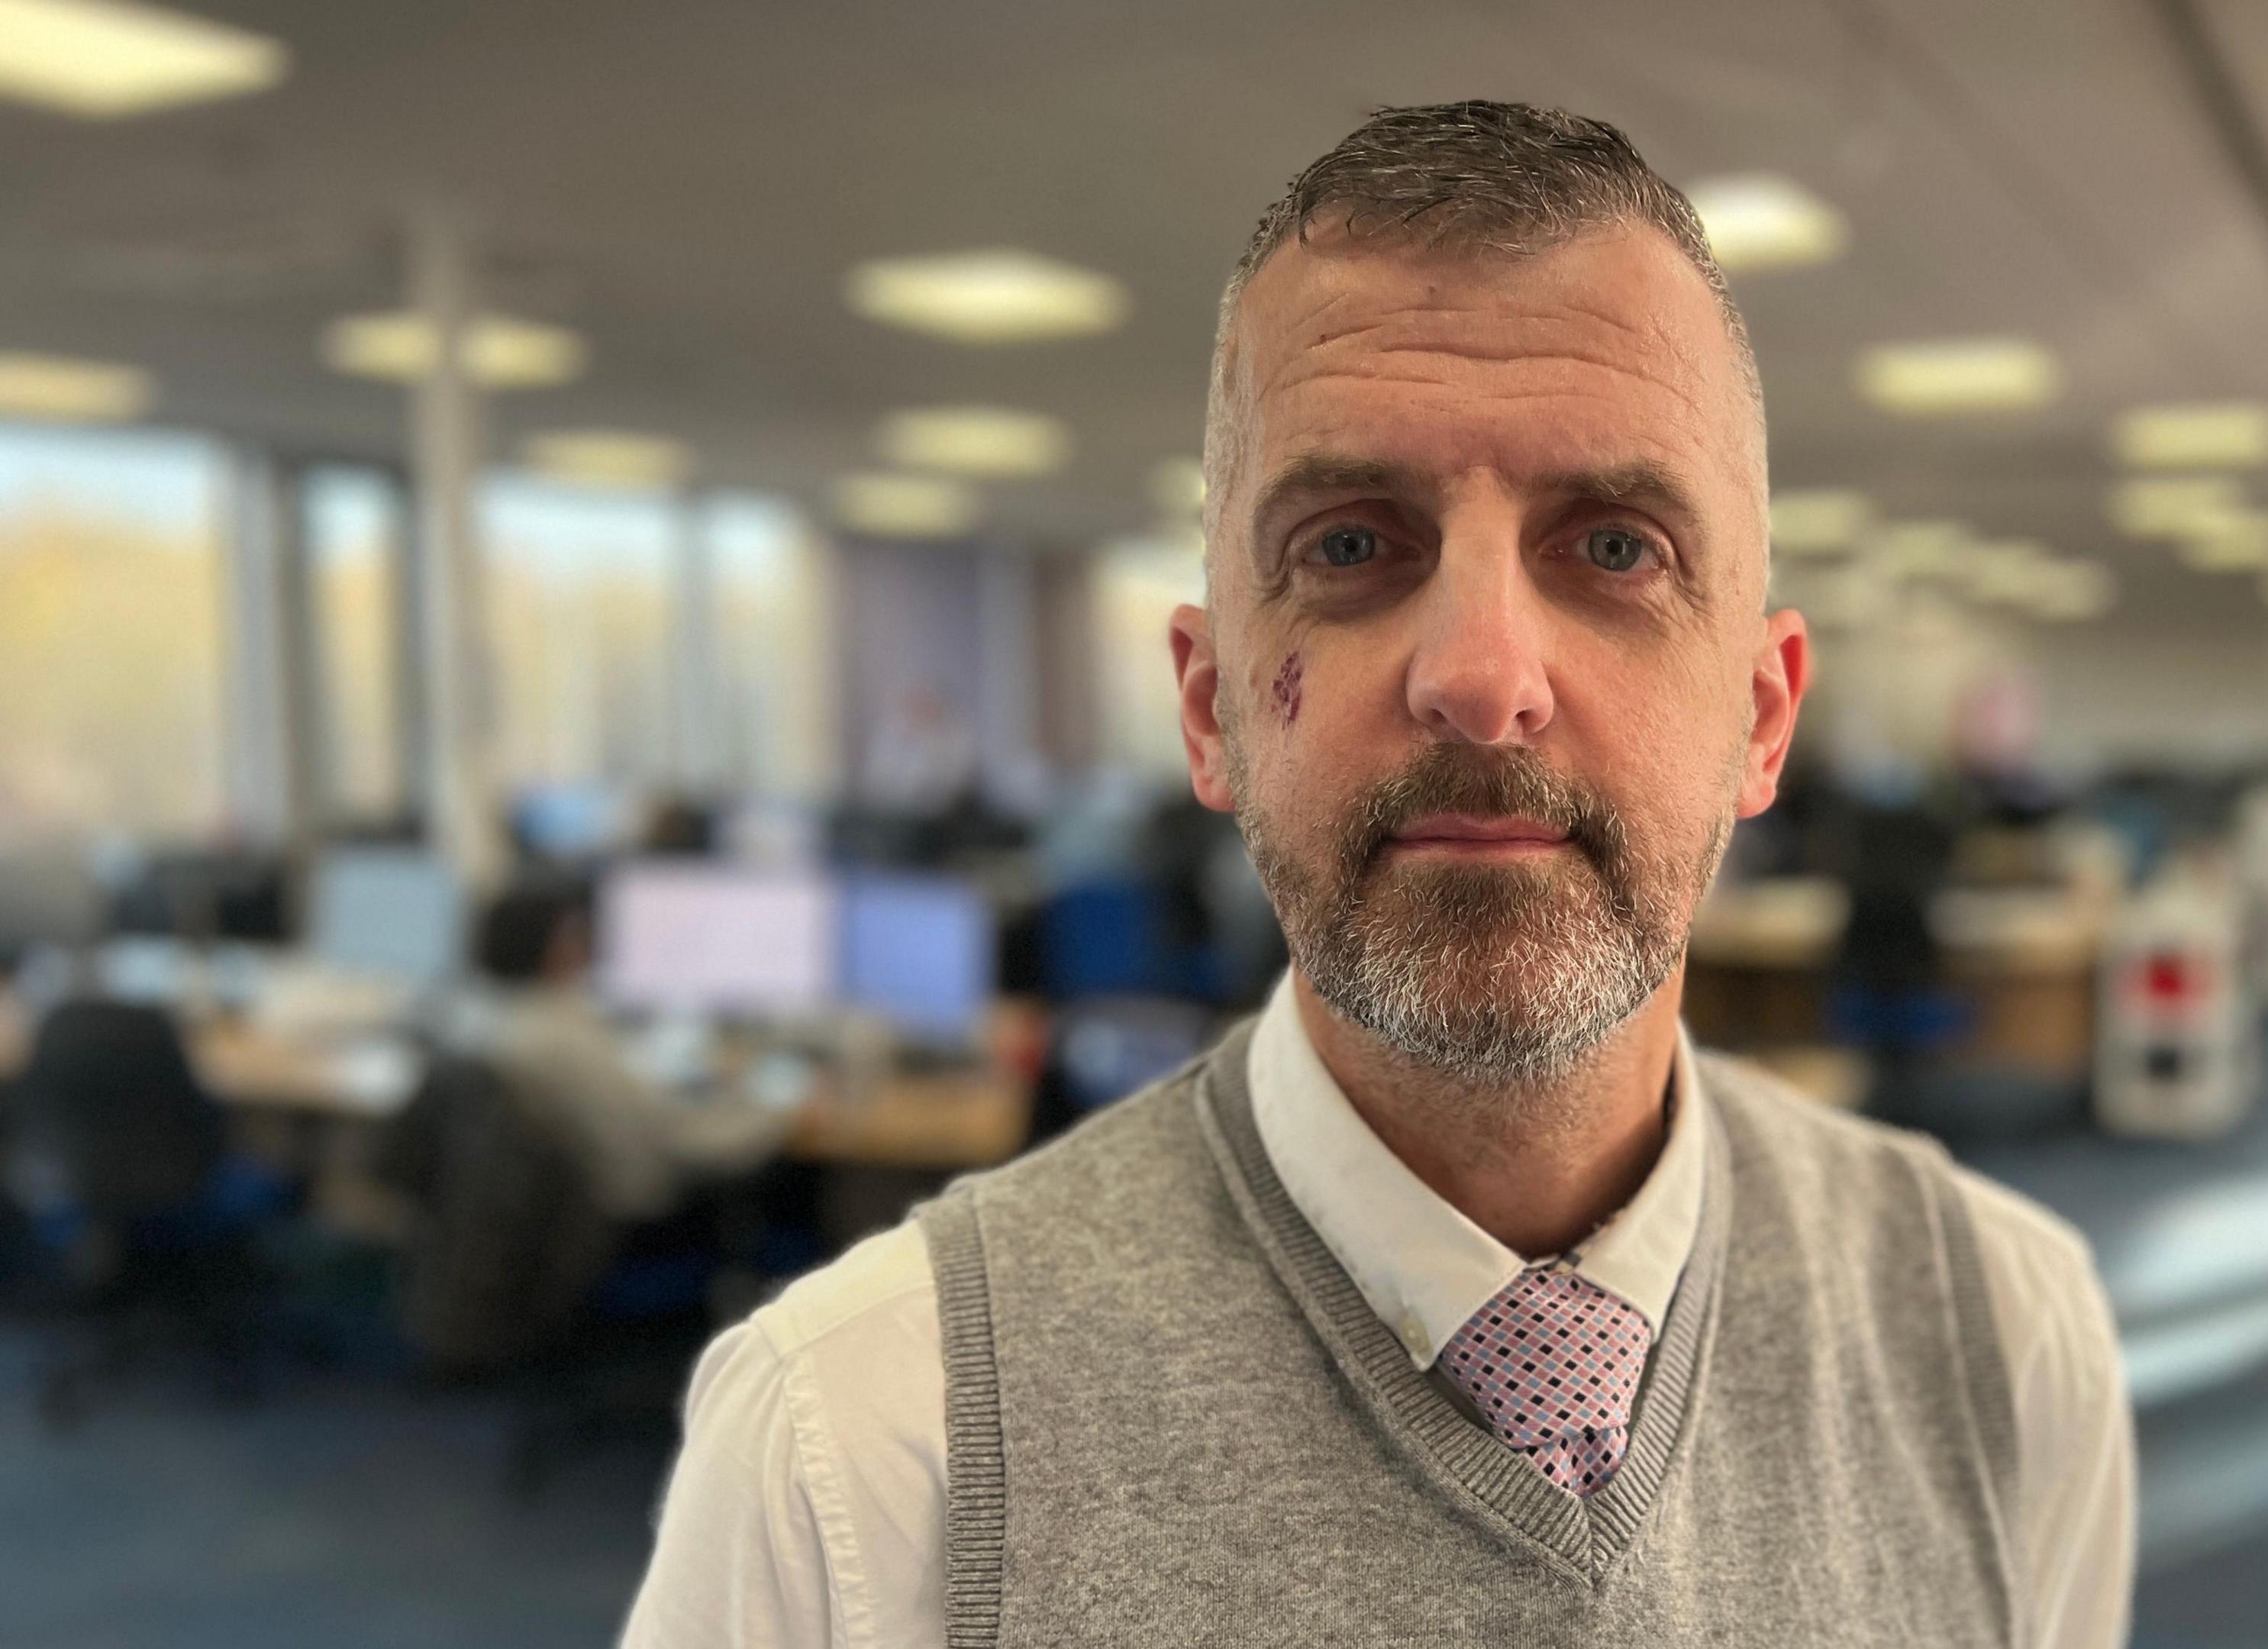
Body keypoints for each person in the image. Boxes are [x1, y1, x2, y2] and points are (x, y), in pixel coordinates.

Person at [624, 102, 2132, 1647]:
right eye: (1351, 547)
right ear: (1211, 711)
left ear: (1760, 718)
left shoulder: (2005, 1344)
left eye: (1615, 549)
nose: (1482, 679)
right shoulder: (859, 1455)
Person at [460, 882, 794, 1223]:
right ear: (549, 943)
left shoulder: (513, 1020)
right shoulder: (558, 1037)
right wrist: (778, 1119)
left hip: (577, 1211)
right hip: (632, 1218)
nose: (586, 943)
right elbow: (673, 1134)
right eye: (575, 932)